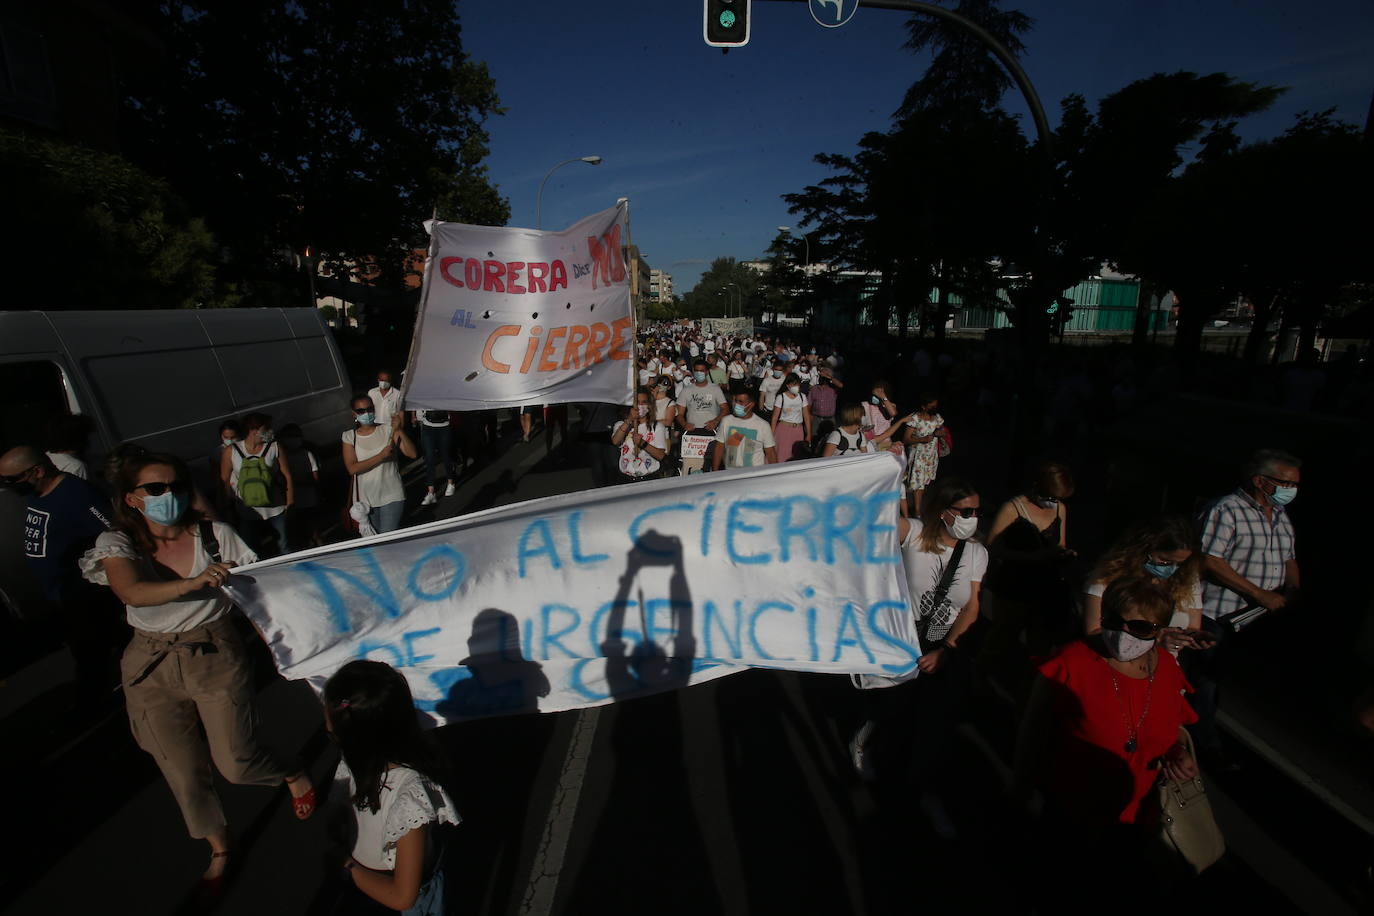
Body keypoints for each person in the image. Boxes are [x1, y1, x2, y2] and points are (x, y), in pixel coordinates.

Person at [80, 452, 313, 891]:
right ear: (132, 498)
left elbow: (259, 596)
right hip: (150, 664)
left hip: (214, 652)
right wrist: (193, 581)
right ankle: (220, 846)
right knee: (182, 772)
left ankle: (290, 770)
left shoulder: (216, 535)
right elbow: (131, 591)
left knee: (237, 762)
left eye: (177, 486)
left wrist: (290, 650)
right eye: (156, 489)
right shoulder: (117, 543)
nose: (169, 496)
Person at [1016, 577, 1199, 906]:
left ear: (1159, 630)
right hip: (1071, 815)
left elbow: (1171, 731)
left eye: (1140, 627)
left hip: (1136, 818)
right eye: (1113, 621)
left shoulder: (1167, 670)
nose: (1123, 633)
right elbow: (1032, 732)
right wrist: (1020, 792)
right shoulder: (1071, 662)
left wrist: (1176, 753)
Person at [849, 477, 986, 838]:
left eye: (977, 511)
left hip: (944, 649)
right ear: (944, 512)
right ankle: (867, 736)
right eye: (966, 511)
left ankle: (924, 793)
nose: (973, 518)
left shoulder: (975, 553)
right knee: (893, 713)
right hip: (900, 641)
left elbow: (972, 607)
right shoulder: (915, 534)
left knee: (934, 723)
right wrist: (882, 472)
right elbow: (870, 525)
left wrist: (947, 650)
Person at [1189, 448, 1301, 770]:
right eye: (1286, 483)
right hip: (1219, 613)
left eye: (1295, 485)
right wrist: (1259, 593)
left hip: (1258, 618)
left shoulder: (1279, 515)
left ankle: (1202, 732)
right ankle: (1203, 748)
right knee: (1205, 682)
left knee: (1222, 679)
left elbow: (1289, 558)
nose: (1291, 490)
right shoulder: (1226, 510)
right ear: (1260, 481)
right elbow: (1210, 560)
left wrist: (1292, 591)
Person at [324, 660, 458, 915]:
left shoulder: (409, 797)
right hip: (363, 881)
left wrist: (347, 865)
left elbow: (402, 897)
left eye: (333, 734)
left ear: (359, 740)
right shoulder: (353, 763)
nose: (330, 735)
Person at [1, 445, 125, 712]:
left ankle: (89, 707)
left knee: (90, 652)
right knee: (100, 643)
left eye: (12, 480)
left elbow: (113, 530)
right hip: (61, 594)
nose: (9, 486)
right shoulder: (37, 492)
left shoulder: (76, 494)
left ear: (37, 471)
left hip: (83, 593)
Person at [980, 462, 1079, 673]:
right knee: (1003, 635)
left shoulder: (1060, 508)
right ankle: (985, 676)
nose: (1053, 502)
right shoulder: (1013, 508)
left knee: (1040, 640)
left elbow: (1059, 543)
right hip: (1013, 586)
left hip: (1044, 587)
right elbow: (993, 547)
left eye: (1057, 498)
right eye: (1050, 496)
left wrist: (1064, 555)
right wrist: (1032, 557)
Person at [1082, 516, 1205, 653]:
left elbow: (1194, 626)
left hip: (1166, 664)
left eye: (1180, 563)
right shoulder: (1108, 575)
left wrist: (1189, 638)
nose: (1172, 568)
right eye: (1165, 561)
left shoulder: (1186, 576)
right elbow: (1093, 631)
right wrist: (1156, 639)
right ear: (1144, 548)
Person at [220, 412, 293, 556]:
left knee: (284, 547)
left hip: (275, 508)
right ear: (254, 430)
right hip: (247, 511)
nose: (270, 431)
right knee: (252, 551)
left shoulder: (275, 447)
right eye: (266, 428)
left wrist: (290, 503)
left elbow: (287, 475)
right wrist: (228, 507)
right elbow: (224, 481)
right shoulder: (231, 451)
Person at [343, 396, 416, 535]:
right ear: (354, 414)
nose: (367, 413)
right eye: (361, 411)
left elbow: (412, 454)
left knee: (387, 538)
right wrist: (380, 457)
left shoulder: (388, 429)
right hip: (366, 500)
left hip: (392, 494)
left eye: (370, 409)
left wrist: (399, 429)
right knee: (374, 540)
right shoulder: (349, 436)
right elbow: (352, 468)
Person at [277, 424, 323, 549]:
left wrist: (299, 482)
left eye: (296, 436)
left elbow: (315, 477)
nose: (293, 439)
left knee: (312, 525)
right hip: (291, 502)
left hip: (309, 499)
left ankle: (318, 543)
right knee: (297, 530)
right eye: (290, 436)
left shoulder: (307, 453)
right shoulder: (281, 456)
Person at [611, 387, 669, 482]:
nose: (640, 406)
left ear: (649, 405)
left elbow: (660, 455)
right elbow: (615, 441)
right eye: (637, 402)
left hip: (649, 479)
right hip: (626, 480)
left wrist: (642, 443)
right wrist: (629, 420)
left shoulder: (657, 426)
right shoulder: (621, 425)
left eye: (644, 402)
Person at [899, 393, 944, 515]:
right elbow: (906, 439)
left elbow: (942, 430)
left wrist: (940, 433)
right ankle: (917, 511)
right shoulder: (915, 419)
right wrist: (922, 439)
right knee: (918, 483)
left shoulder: (937, 417)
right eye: (932, 406)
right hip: (918, 456)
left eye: (936, 405)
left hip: (930, 456)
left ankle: (916, 509)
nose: (935, 408)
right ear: (924, 407)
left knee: (922, 482)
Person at [712, 390, 777, 469]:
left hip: (753, 474)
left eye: (741, 402)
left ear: (751, 404)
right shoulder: (726, 421)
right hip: (730, 473)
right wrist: (714, 471)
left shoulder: (763, 425)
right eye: (735, 401)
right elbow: (719, 447)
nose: (736, 404)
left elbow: (770, 453)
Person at [411, 406, 457, 507]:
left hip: (444, 425)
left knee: (446, 455)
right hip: (428, 425)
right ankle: (431, 492)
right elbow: (415, 399)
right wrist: (413, 416)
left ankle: (450, 482)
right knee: (429, 458)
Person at [675, 358, 728, 433]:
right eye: (696, 370)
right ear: (693, 371)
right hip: (692, 430)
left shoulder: (716, 389)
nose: (699, 373)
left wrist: (715, 421)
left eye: (701, 371)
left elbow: (725, 409)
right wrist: (684, 424)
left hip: (712, 429)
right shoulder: (686, 390)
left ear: (707, 372)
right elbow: (679, 413)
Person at [770, 372, 811, 462]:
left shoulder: (802, 397)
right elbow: (774, 418)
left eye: (797, 384)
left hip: (798, 430)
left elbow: (806, 417)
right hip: (783, 430)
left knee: (797, 455)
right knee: (782, 454)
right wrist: (771, 435)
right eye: (794, 384)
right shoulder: (781, 397)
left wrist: (808, 434)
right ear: (788, 385)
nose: (796, 386)